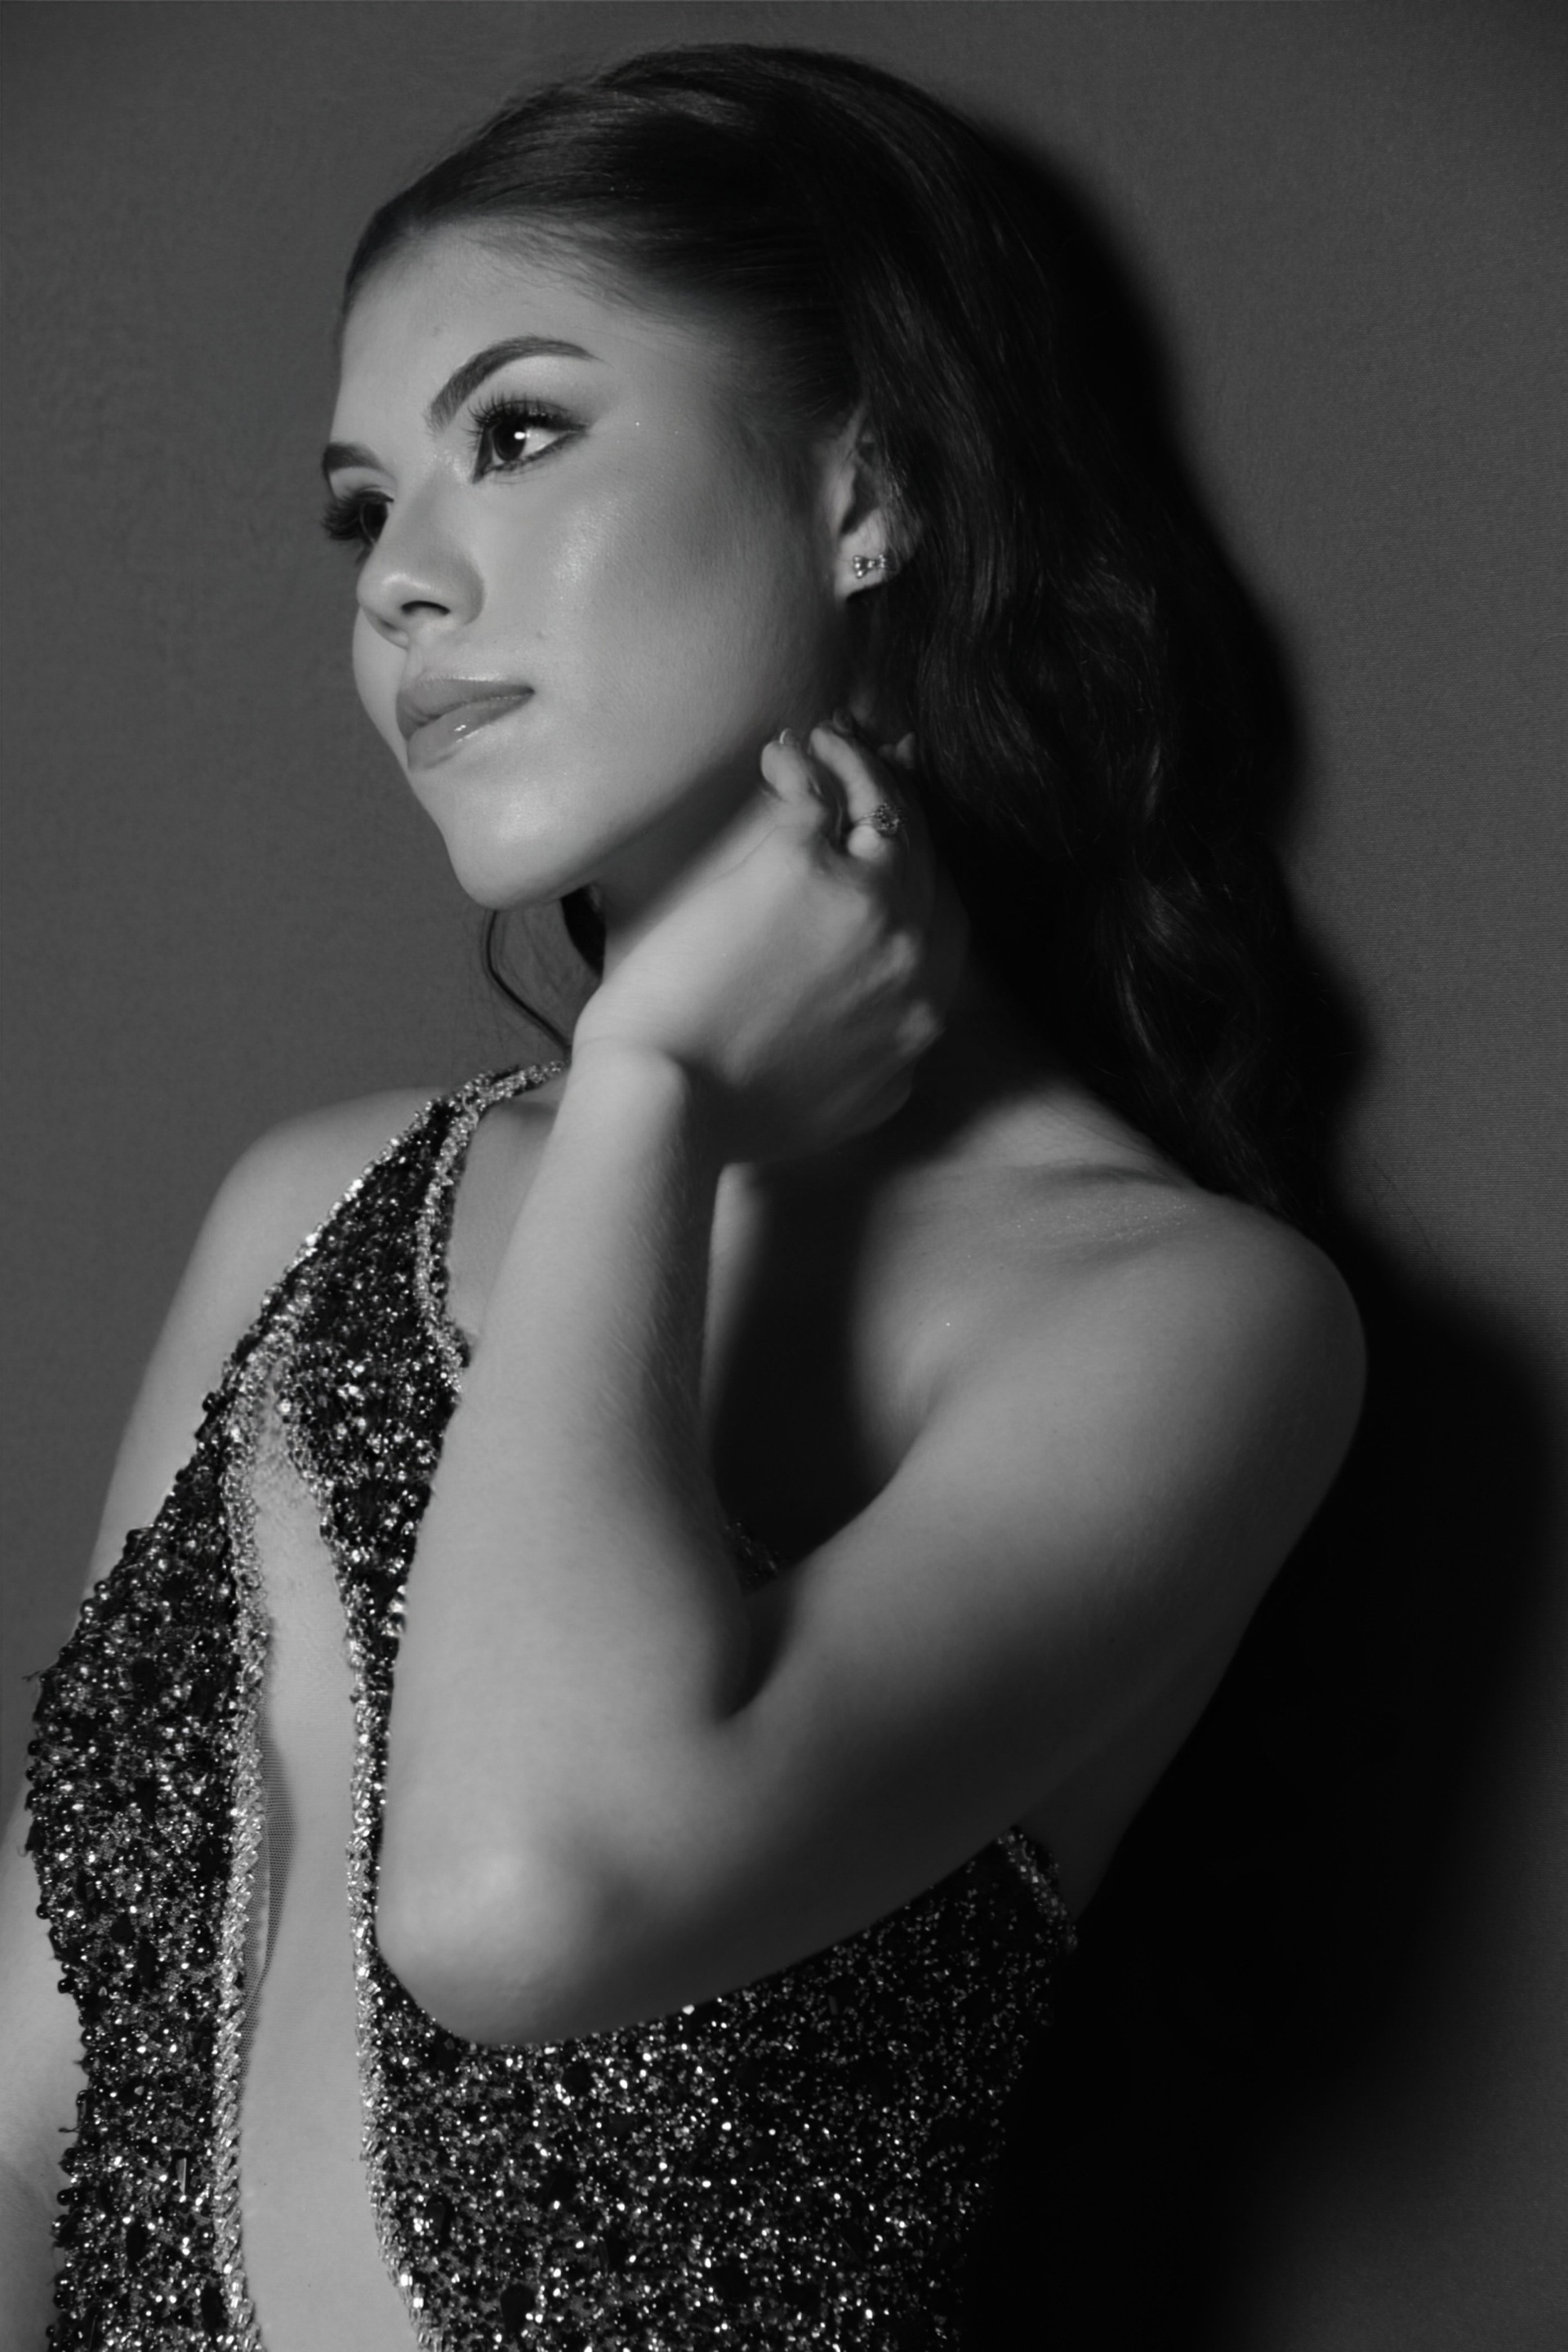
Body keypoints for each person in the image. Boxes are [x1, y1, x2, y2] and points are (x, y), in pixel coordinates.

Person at [0, 42, 1364, 2352]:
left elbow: (525, 1900)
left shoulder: (1185, 1323)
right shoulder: (314, 1210)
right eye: (361, 509)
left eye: (520, 433)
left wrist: (650, 1096)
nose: (403, 583)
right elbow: (29, 2100)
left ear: (871, 488)